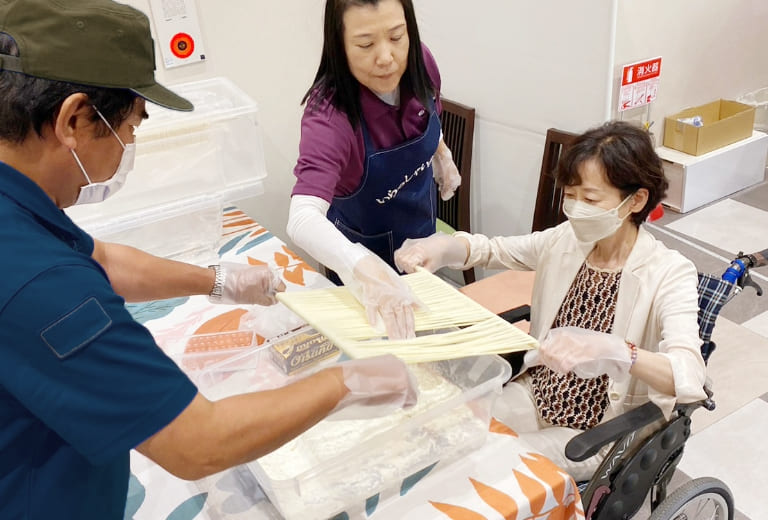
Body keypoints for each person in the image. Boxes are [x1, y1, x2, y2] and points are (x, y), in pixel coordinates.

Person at [0, 2, 418, 519]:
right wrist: (345, 382)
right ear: (74, 120)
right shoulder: (43, 284)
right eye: (130, 128)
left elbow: (101, 258)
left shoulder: (18, 205)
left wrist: (218, 280)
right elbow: (197, 443)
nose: (130, 144)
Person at [394, 121, 708, 480]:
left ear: (635, 200)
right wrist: (444, 246)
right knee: (448, 432)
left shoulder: (669, 272)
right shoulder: (567, 240)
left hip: (598, 430)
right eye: (570, 195)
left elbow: (689, 373)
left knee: (488, 466)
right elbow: (493, 249)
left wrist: (622, 352)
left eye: (590, 199)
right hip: (537, 393)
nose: (574, 209)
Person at [286, 0, 462, 340]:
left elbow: (430, 113)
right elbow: (302, 218)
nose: (386, 58)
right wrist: (361, 266)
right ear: (338, 45)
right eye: (366, 44)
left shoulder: (420, 62)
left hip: (420, 247)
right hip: (364, 274)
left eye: (397, 37)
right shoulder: (330, 115)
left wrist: (441, 152)